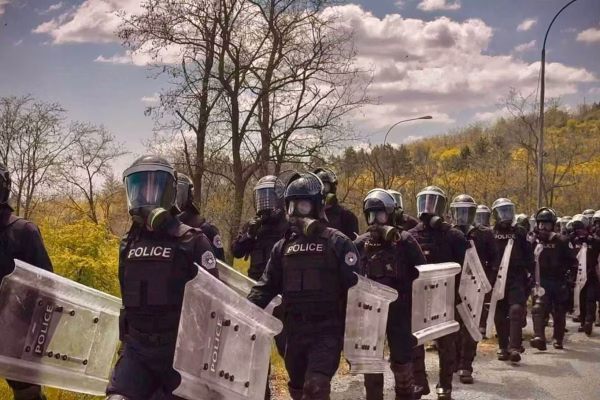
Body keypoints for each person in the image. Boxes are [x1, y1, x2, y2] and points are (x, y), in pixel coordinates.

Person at [106, 155, 218, 400]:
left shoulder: (193, 241)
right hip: (137, 349)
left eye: (153, 188)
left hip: (180, 353)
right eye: (139, 188)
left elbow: (212, 307)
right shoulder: (128, 243)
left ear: (169, 192)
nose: (145, 197)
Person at [247, 172, 360, 400]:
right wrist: (241, 312)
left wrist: (355, 337)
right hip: (294, 331)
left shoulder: (338, 243)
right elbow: (265, 288)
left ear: (317, 206)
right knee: (298, 390)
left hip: (327, 331)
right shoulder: (282, 248)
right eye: (293, 207)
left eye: (303, 206)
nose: (298, 213)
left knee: (316, 387)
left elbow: (358, 292)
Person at [354, 189, 426, 400]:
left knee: (402, 362)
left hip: (400, 311)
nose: (375, 221)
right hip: (369, 313)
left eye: (380, 215)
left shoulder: (405, 241)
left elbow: (422, 273)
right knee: (370, 362)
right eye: (371, 215)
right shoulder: (360, 244)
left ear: (391, 215)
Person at [231, 174, 289, 399]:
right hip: (256, 293)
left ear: (279, 198)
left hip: (282, 294)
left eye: (269, 197)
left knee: (287, 347)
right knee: (256, 350)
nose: (265, 203)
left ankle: (300, 387)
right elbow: (237, 251)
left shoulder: (288, 224)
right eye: (261, 197)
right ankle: (262, 394)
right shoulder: (253, 225)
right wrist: (249, 234)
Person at [408, 186, 467, 400]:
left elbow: (467, 269)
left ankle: (445, 384)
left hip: (446, 297)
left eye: (433, 203)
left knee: (446, 343)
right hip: (418, 297)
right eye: (424, 202)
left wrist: (460, 296)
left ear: (442, 207)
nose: (428, 208)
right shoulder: (411, 235)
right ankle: (419, 381)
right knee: (414, 341)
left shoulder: (454, 236)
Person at [0, 162, 52, 400]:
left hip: (17, 334)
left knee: (28, 395)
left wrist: (35, 341)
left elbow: (48, 291)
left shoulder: (24, 231)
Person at [449, 194, 497, 385]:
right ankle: (455, 359)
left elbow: (494, 261)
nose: (462, 216)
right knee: (453, 326)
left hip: (475, 286)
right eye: (459, 211)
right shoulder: (448, 234)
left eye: (466, 212)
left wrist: (487, 284)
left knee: (470, 326)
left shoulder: (484, 234)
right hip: (452, 285)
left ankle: (466, 365)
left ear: (473, 213)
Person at [490, 198, 533, 363]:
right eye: (502, 212)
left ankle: (514, 347)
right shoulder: (490, 233)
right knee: (500, 314)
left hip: (516, 277)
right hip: (497, 278)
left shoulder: (520, 232)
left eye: (508, 211)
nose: (505, 215)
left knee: (516, 310)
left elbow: (529, 254)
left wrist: (531, 275)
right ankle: (502, 346)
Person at [530, 208, 578, 350]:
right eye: (541, 224)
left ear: (553, 225)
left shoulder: (562, 241)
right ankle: (539, 337)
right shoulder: (535, 242)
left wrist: (570, 279)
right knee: (538, 307)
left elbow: (573, 262)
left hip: (559, 281)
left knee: (559, 311)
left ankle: (558, 338)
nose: (543, 228)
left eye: (546, 224)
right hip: (542, 281)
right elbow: (529, 260)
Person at [175, 173, 224, 261]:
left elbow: (219, 264)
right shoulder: (163, 228)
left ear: (189, 195)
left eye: (179, 193)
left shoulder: (206, 229)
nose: (175, 198)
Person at [568, 214, 600, 336]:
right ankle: (582, 321)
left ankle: (589, 320)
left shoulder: (595, 241)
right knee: (580, 299)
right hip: (576, 276)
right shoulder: (572, 240)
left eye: (581, 229)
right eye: (577, 229)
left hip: (591, 274)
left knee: (590, 298)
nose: (579, 232)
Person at [313, 167, 359, 239]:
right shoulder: (309, 215)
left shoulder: (346, 216)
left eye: (325, 187)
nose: (322, 192)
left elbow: (353, 243)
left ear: (332, 189)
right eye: (318, 188)